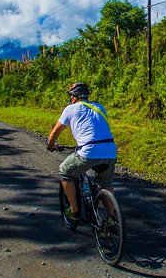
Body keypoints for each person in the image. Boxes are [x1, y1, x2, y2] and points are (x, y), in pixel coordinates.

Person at [47, 82, 117, 221]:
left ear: (73, 97)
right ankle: (113, 217)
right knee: (106, 183)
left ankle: (74, 210)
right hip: (110, 151)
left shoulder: (70, 109)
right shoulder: (99, 107)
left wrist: (51, 145)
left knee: (65, 172)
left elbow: (54, 133)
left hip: (88, 152)